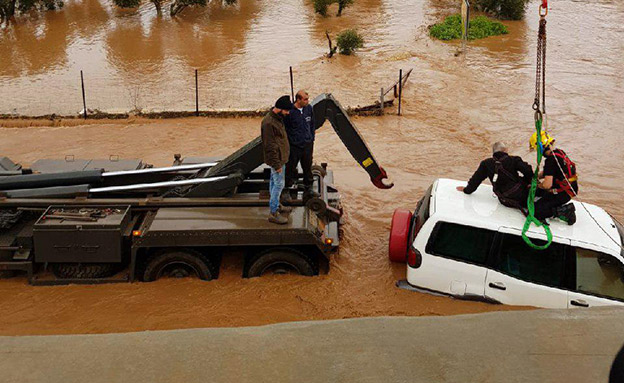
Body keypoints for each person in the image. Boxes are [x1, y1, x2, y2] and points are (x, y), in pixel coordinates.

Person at [457, 141, 533, 210]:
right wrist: (528, 182)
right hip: (522, 198)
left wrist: (466, 190)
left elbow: (475, 180)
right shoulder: (514, 160)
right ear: (505, 150)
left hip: (504, 200)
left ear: (493, 152)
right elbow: (528, 171)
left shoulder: (486, 164)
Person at [530, 131, 578, 225]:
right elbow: (549, 172)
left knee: (535, 211)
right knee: (540, 196)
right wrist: (535, 176)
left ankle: (565, 211)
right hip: (570, 188)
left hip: (563, 192)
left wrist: (537, 185)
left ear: (541, 147)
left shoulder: (550, 161)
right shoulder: (559, 153)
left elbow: (547, 185)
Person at [261, 95, 294, 225]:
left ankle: (276, 205)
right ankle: (273, 213)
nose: (288, 113)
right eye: (286, 110)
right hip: (277, 160)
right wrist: (276, 164)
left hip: (281, 158)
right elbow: (270, 146)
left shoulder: (277, 118)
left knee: (274, 183)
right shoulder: (269, 123)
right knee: (279, 184)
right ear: (280, 109)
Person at [284, 90, 317, 201]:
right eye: (305, 99)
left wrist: (311, 138)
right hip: (294, 146)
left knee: (307, 166)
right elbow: (286, 129)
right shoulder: (290, 112)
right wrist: (291, 141)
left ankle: (309, 188)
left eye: (308, 99)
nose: (307, 101)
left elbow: (312, 124)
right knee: (290, 167)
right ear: (298, 100)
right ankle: (287, 189)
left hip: (307, 144)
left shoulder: (309, 109)